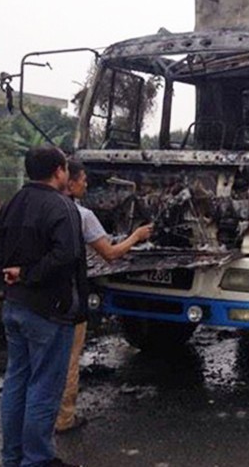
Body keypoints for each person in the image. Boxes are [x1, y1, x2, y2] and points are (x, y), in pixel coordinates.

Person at [0, 145, 87, 467]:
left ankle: (13, 456)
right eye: (65, 169)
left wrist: (16, 277)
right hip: (49, 310)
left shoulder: (11, 203)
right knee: (44, 388)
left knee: (16, 382)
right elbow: (66, 256)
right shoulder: (62, 207)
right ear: (59, 172)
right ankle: (36, 459)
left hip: (14, 305)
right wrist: (31, 274)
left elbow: (1, 257)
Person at [55, 160, 154, 434]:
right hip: (69, 296)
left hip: (33, 298)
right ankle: (63, 419)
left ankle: (33, 418)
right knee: (69, 359)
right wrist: (137, 236)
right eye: (83, 179)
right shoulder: (81, 215)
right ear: (68, 181)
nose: (87, 183)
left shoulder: (34, 206)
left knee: (36, 361)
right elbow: (110, 253)